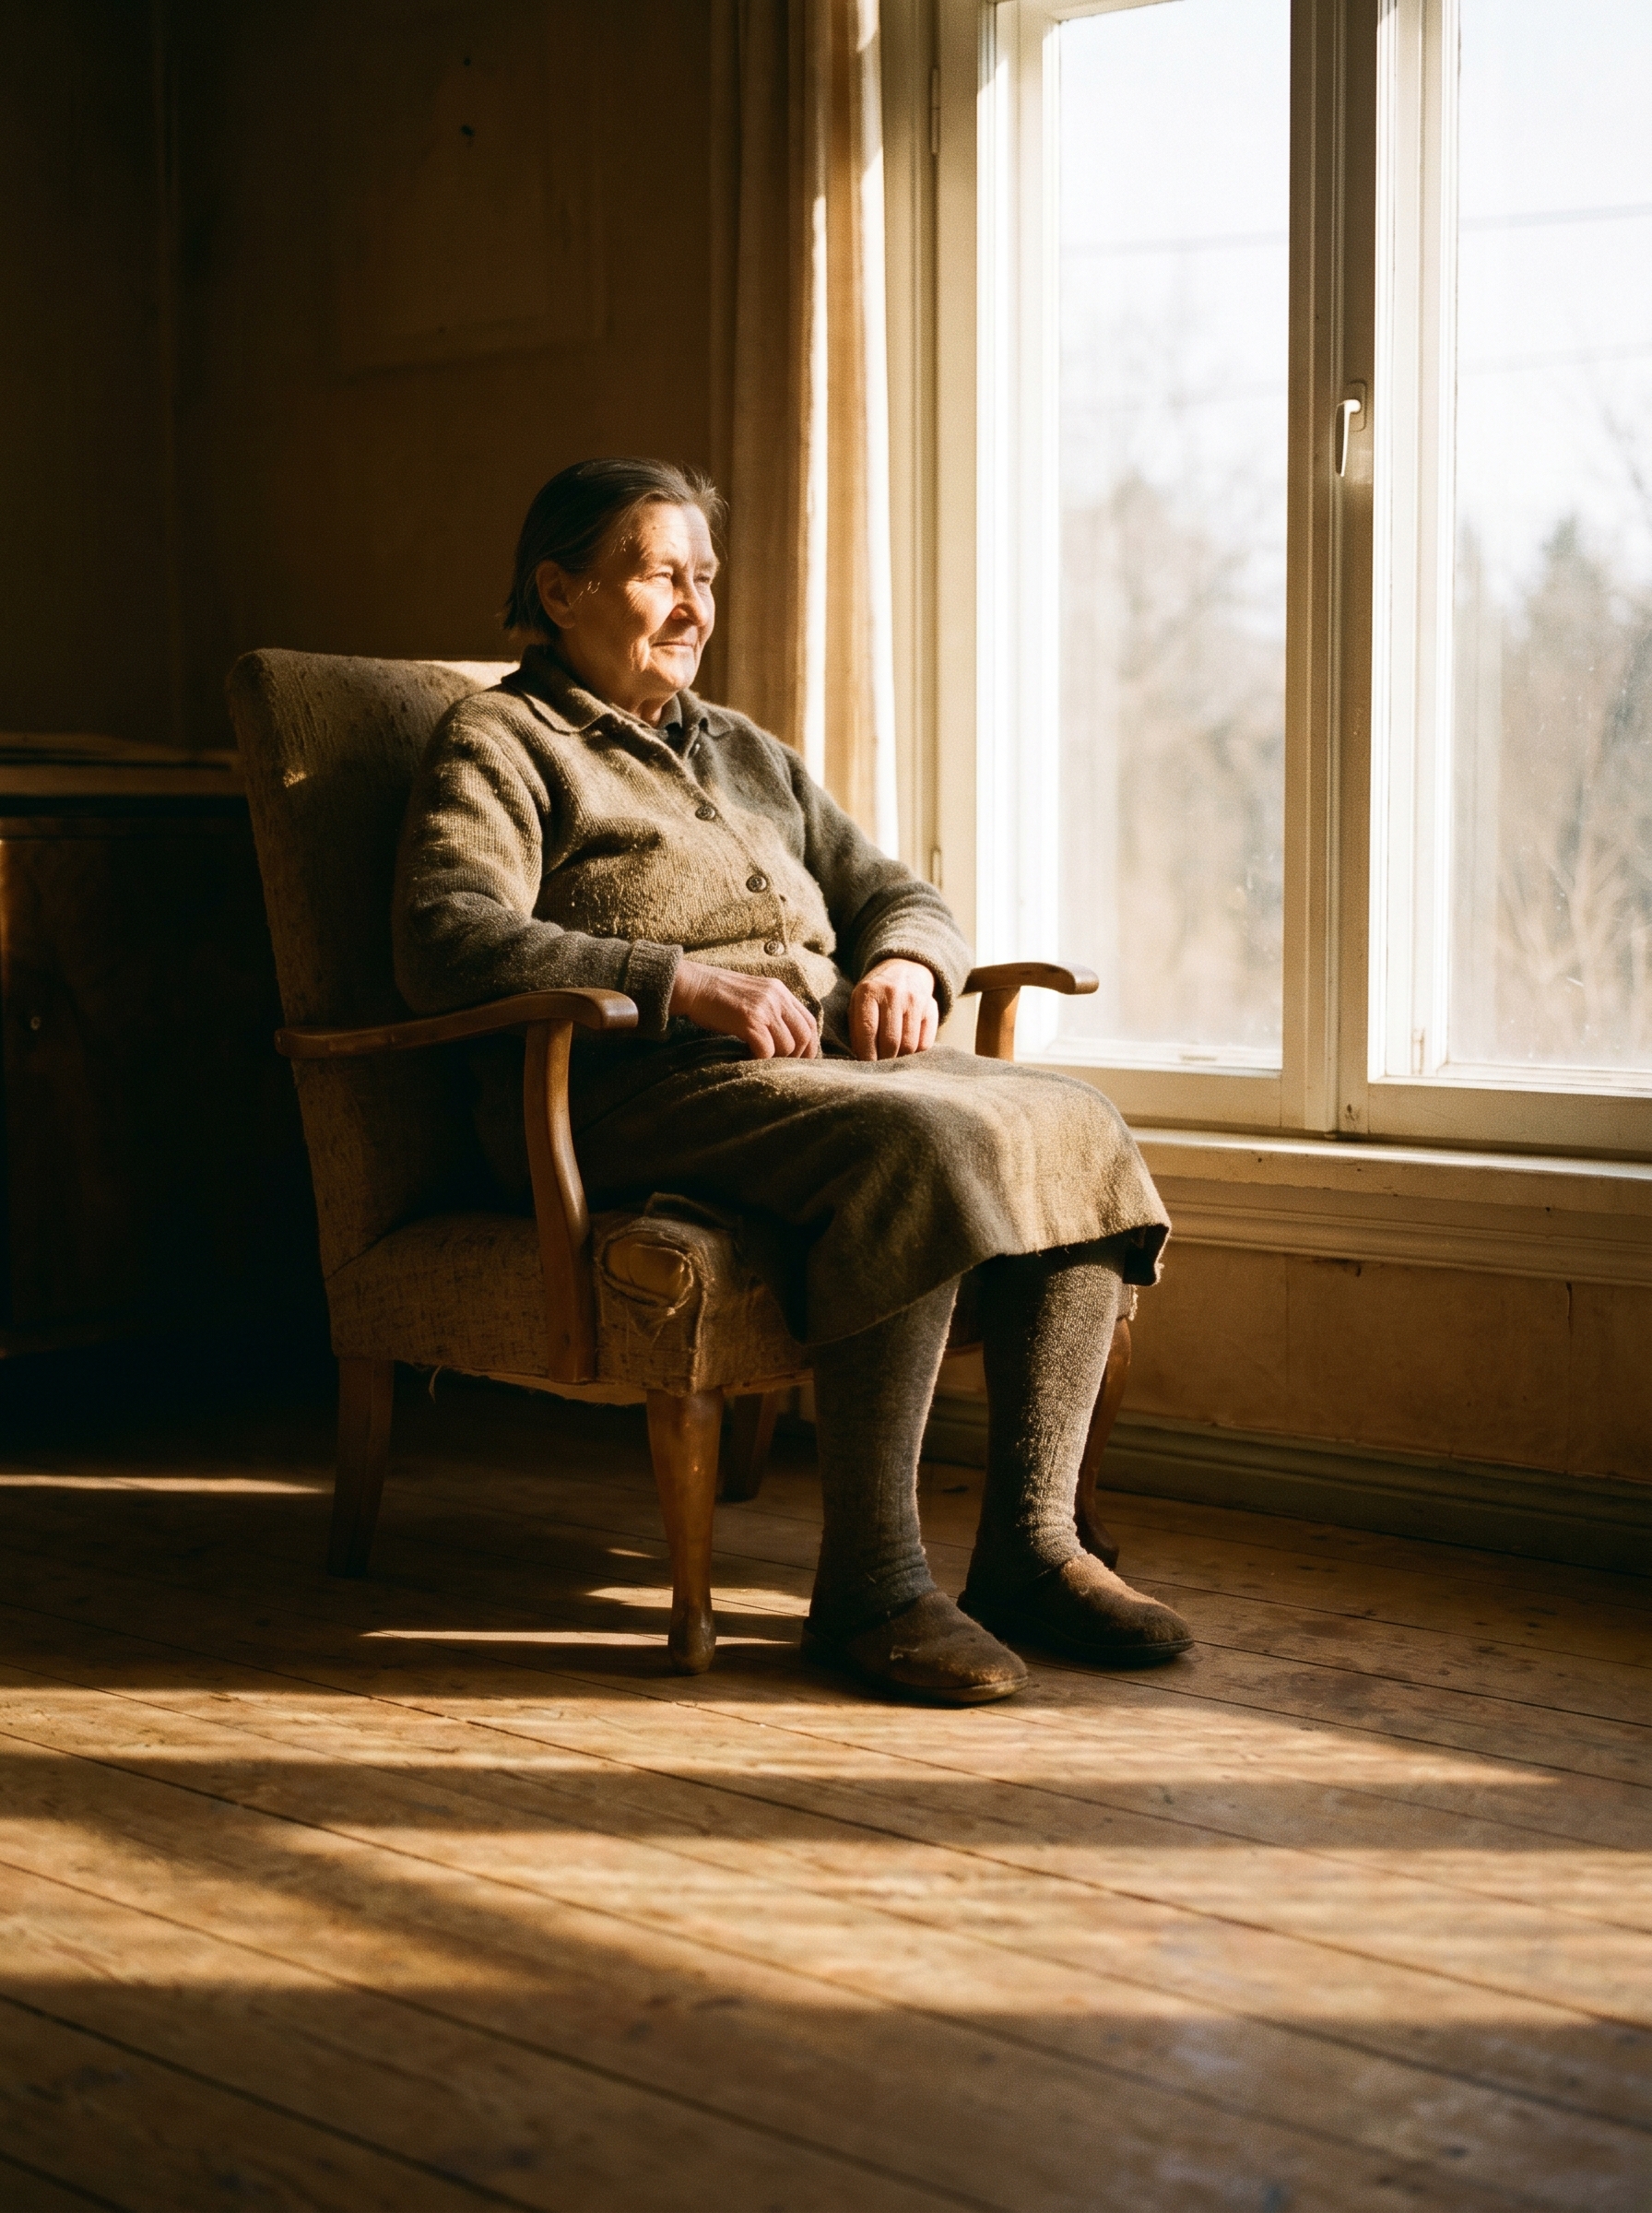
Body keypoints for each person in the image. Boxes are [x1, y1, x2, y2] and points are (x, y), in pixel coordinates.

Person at [394, 456, 1191, 1704]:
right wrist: (680, 983)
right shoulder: (501, 739)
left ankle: (1032, 1550)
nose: (697, 605)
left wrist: (910, 967)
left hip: (803, 1072)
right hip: (621, 1088)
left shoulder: (745, 751)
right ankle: (871, 1588)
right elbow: (445, 934)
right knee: (915, 1152)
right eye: (662, 574)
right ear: (558, 590)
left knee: (1073, 1122)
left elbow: (898, 894)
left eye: (706, 577)